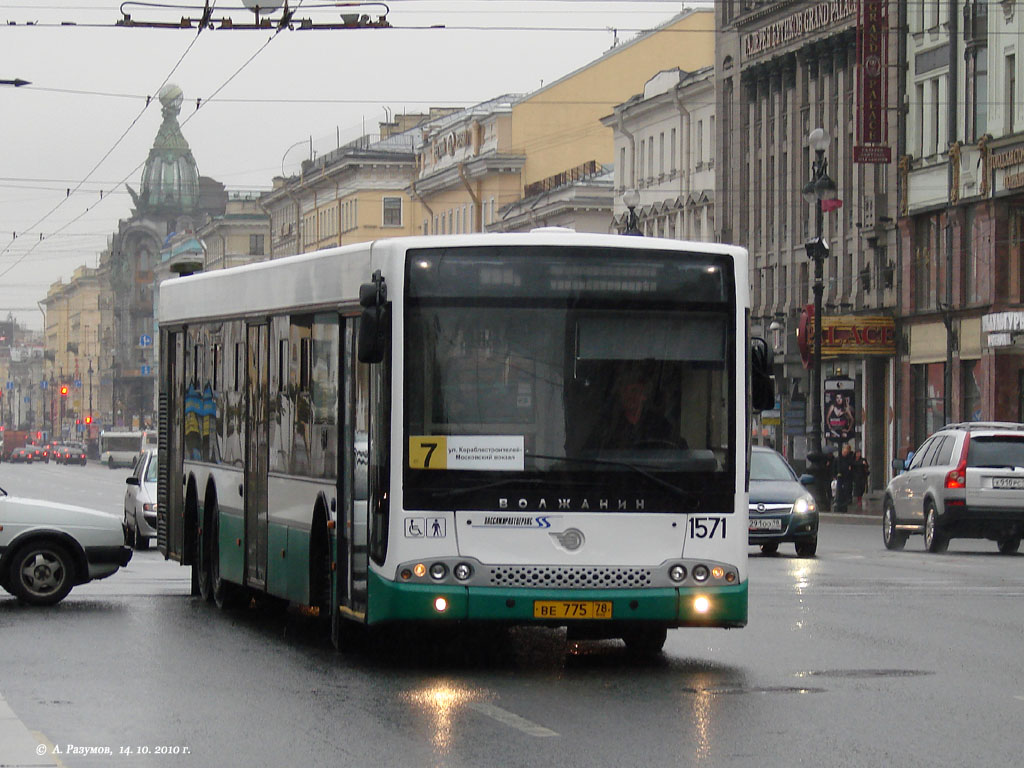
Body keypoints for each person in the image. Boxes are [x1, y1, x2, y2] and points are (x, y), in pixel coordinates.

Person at [598, 363, 679, 450]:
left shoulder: (660, 425)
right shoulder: (609, 425)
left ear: (644, 395)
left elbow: (678, 451)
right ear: (619, 395)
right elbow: (592, 454)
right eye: (625, 391)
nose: (629, 396)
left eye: (634, 391)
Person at [833, 443, 855, 513]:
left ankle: (845, 501)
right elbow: (834, 468)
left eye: (847, 452)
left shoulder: (849, 459)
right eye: (844, 451)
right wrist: (835, 475)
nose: (845, 453)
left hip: (847, 477)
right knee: (839, 489)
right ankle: (839, 501)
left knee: (847, 489)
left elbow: (852, 466)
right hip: (840, 477)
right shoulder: (838, 459)